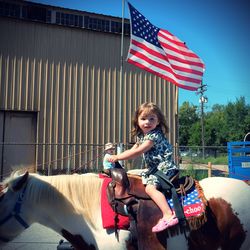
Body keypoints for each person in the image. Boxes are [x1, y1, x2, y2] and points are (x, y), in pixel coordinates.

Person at [107, 102, 179, 232]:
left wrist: (118, 157)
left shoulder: (154, 135)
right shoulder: (142, 135)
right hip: (153, 167)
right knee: (132, 174)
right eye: (144, 118)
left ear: (158, 122)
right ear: (137, 120)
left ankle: (169, 214)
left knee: (150, 189)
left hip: (164, 167)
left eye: (152, 119)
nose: (147, 122)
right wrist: (118, 156)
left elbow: (138, 152)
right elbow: (134, 148)